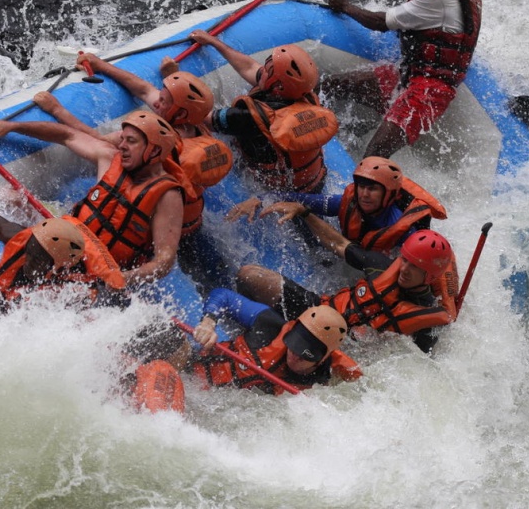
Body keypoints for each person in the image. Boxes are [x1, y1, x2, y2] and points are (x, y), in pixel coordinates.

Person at [64, 52, 236, 292]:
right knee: (216, 277)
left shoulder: (162, 143)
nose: (157, 103)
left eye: (164, 101)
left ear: (179, 113)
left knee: (199, 275)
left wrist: (57, 111)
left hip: (170, 228)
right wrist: (100, 64)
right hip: (193, 224)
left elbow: (98, 141)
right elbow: (143, 89)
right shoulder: (198, 127)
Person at [0, 110, 192, 287]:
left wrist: (121, 279)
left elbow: (164, 261)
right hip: (68, 235)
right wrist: (12, 126)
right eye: (123, 139)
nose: (123, 146)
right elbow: (67, 135)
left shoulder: (167, 196)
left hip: (100, 268)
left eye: (132, 141)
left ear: (154, 150)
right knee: (7, 196)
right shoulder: (110, 158)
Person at [326, 0, 482, 158]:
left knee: (375, 153)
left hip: (428, 90)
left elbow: (380, 22)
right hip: (408, 77)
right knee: (337, 84)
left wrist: (346, 6)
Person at [236, 229, 460, 353]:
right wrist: (303, 212)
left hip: (343, 348)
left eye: (415, 267)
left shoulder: (426, 318)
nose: (405, 269)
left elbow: (417, 362)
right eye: (406, 260)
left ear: (430, 276)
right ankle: (267, 323)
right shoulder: (380, 266)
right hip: (320, 310)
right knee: (249, 275)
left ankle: (277, 336)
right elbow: (340, 244)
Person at [187, 30, 339, 194]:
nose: (262, 70)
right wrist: (213, 42)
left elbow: (201, 119)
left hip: (281, 192)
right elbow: (250, 67)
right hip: (316, 181)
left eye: (268, 70)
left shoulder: (248, 117)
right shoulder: (305, 96)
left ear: (278, 86)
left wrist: (177, 84)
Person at [227, 155, 447, 259]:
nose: (364, 194)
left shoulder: (403, 230)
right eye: (361, 186)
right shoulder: (348, 203)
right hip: (352, 252)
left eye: (373, 189)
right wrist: (259, 197)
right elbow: (296, 199)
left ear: (389, 195)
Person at [186, 292, 361, 394]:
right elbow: (223, 296)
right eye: (295, 346)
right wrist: (208, 323)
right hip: (191, 368)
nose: (294, 355)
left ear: (322, 359)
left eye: (304, 355)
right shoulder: (268, 324)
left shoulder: (321, 384)